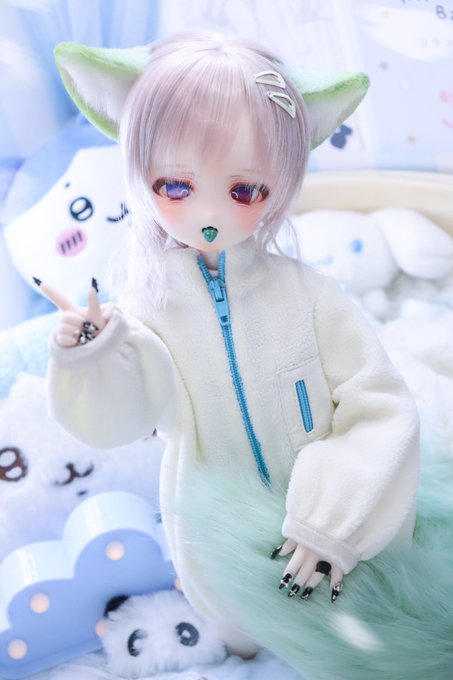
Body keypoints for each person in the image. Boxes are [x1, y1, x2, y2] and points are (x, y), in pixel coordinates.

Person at [46, 31, 419, 661]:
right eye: (175, 186)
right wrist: (93, 360)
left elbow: (381, 407)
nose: (209, 213)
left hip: (336, 544)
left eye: (246, 190)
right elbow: (125, 419)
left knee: (375, 639)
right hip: (219, 551)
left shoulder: (311, 297)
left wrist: (332, 516)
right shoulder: (145, 307)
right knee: (246, 642)